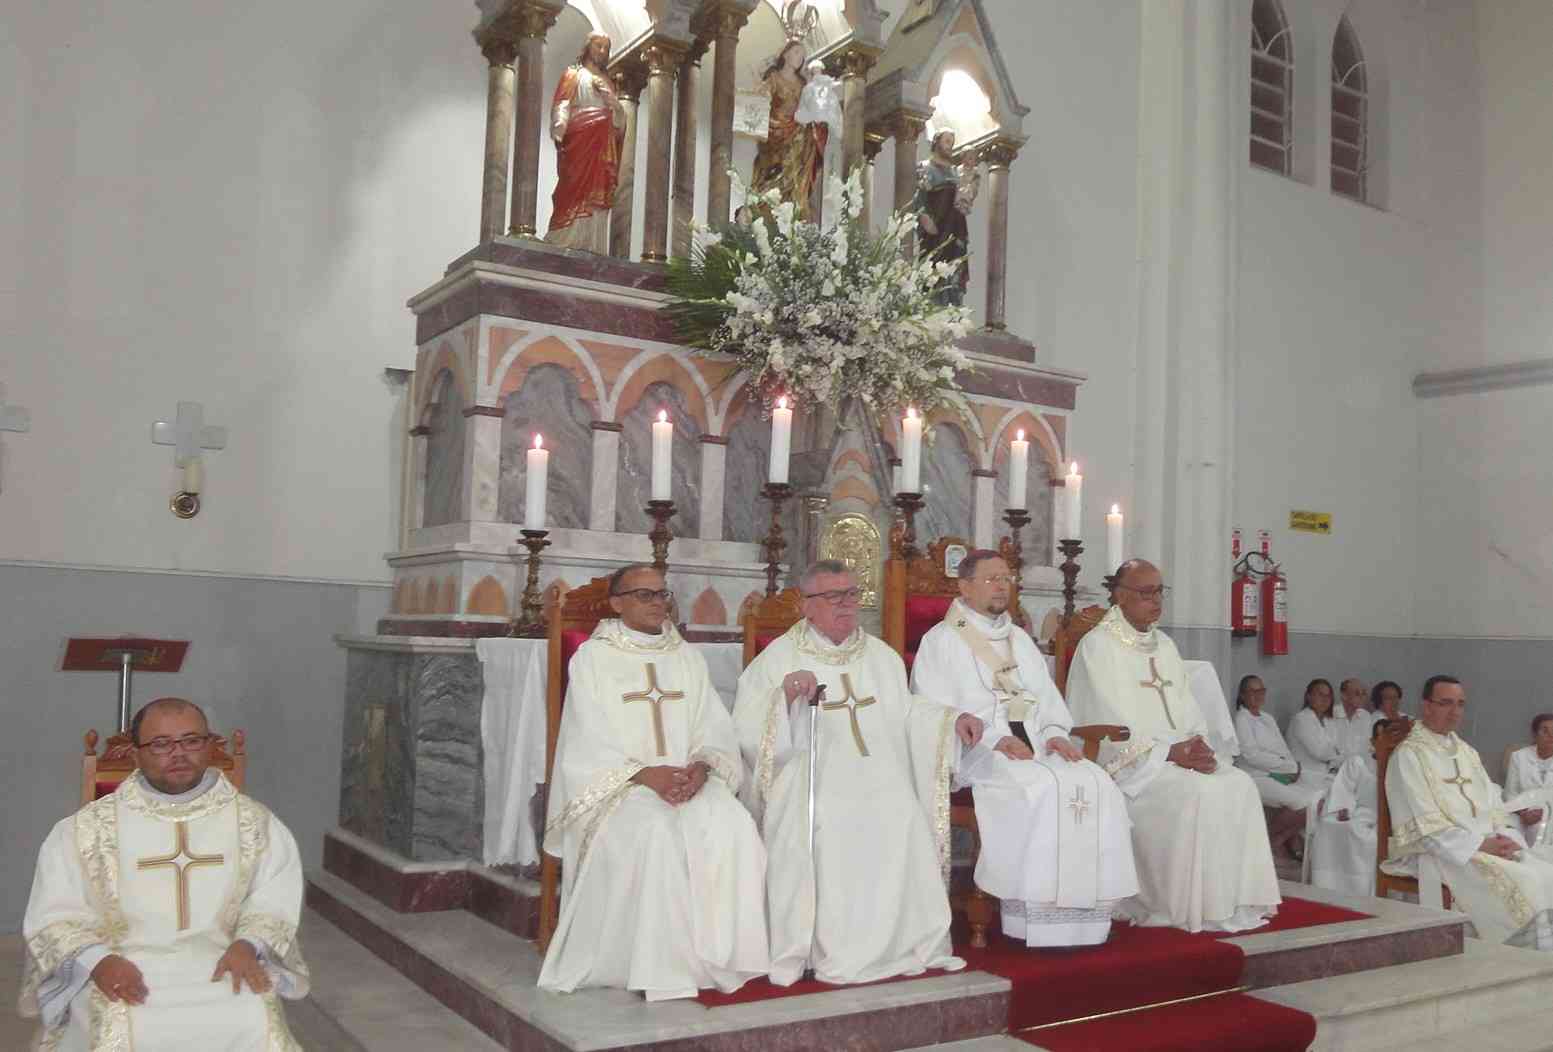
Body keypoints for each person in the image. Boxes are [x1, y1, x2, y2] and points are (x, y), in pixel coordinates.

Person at [732, 560, 980, 984]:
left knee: (904, 815)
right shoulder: (779, 658)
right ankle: (835, 948)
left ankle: (902, 943)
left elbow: (907, 713)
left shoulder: (882, 657)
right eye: (833, 596)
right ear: (806, 605)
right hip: (810, 774)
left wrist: (949, 721)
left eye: (851, 594)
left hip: (880, 770)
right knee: (829, 823)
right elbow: (748, 728)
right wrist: (785, 697)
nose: (846, 604)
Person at [20, 698, 309, 1050]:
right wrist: (98, 962)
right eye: (161, 744)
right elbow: (55, 912)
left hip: (223, 959)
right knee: (125, 1024)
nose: (178, 753)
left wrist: (249, 945)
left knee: (253, 1014)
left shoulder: (255, 823)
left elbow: (274, 897)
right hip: (122, 963)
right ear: (135, 754)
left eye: (191, 741)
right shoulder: (84, 830)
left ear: (209, 746)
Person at [538, 565, 769, 999]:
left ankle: (723, 957)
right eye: (644, 595)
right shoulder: (594, 658)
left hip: (686, 779)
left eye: (662, 594)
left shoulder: (686, 656)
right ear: (617, 603)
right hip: (620, 787)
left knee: (734, 827)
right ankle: (661, 966)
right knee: (658, 834)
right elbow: (586, 737)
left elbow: (711, 726)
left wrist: (701, 768)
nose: (657, 603)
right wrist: (646, 774)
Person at [910, 550, 1138, 946]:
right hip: (979, 754)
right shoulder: (941, 641)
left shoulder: (1019, 639)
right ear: (964, 587)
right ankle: (1032, 916)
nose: (1002, 586)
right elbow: (928, 710)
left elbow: (1046, 699)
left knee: (1096, 781)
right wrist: (993, 739)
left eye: (1006, 578)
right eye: (991, 579)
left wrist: (1054, 733)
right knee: (1040, 788)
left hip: (1037, 748)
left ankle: (1085, 918)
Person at [1065, 559, 1281, 932]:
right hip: (1131, 766)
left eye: (1159, 592)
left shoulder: (1164, 645)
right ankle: (1184, 906)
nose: (1156, 601)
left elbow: (1188, 706)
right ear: (1120, 595)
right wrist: (1169, 753)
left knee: (1241, 784)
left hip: (1176, 756)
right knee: (1197, 793)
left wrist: (1197, 745)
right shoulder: (1098, 646)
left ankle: (1233, 901)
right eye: (1145, 592)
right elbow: (1107, 719)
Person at [1384, 676, 1553, 949]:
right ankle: (1521, 954)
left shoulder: (1467, 752)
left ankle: (1541, 952)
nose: (1455, 712)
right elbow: (1424, 826)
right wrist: (1481, 845)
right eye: (1446, 703)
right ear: (1427, 706)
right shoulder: (1409, 755)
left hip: (1485, 844)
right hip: (1442, 851)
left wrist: (1507, 837)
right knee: (1527, 880)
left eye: (1460, 704)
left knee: (1545, 872)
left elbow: (1495, 807)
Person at [545, 32, 627, 254]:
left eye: (606, 48)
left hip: (603, 145)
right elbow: (562, 103)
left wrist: (613, 104)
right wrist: (559, 127)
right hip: (580, 141)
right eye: (598, 45)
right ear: (587, 47)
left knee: (598, 191)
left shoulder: (608, 82)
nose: (602, 51)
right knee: (572, 186)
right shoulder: (574, 74)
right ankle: (565, 237)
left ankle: (592, 242)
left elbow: (619, 120)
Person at [1232, 675, 1322, 861]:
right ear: (1242, 695)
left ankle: (1278, 840)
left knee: (1317, 798)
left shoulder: (1267, 718)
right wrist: (1285, 767)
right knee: (1302, 803)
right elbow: (1251, 755)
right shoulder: (1241, 718)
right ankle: (1268, 841)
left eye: (1261, 690)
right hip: (1255, 777)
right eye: (1252, 691)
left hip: (1279, 773)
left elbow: (1283, 748)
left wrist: (1292, 768)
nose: (1258, 695)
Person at [749, 40, 828, 222]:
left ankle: (795, 203)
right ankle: (768, 204)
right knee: (773, 173)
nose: (800, 58)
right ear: (785, 54)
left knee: (806, 137)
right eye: (796, 52)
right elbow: (761, 99)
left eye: (802, 55)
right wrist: (759, 91)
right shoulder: (774, 77)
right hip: (774, 132)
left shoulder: (802, 83)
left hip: (797, 132)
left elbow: (810, 106)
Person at [1312, 718, 1390, 896]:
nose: (1383, 742)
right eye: (1379, 738)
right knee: (1340, 828)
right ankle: (1334, 888)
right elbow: (1344, 788)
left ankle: (1367, 889)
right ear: (1372, 741)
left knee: (1370, 838)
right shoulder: (1358, 762)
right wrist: (1343, 807)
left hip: (1388, 817)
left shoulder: (1400, 763)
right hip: (1361, 811)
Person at [913, 128, 980, 306]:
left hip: (955, 226)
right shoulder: (924, 167)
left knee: (955, 267)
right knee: (933, 266)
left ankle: (953, 305)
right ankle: (933, 304)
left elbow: (964, 193)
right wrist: (923, 216)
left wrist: (969, 192)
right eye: (947, 141)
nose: (950, 146)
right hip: (935, 227)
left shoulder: (955, 172)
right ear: (936, 142)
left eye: (952, 142)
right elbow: (918, 197)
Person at [1504, 713, 1553, 854]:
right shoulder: (1519, 756)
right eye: (1545, 731)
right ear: (1535, 734)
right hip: (1522, 813)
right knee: (1507, 834)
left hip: (1550, 816)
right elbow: (1510, 793)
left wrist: (1544, 812)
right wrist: (1523, 812)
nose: (1551, 736)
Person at [1286, 679, 1342, 788]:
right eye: (1320, 695)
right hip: (1306, 776)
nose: (1325, 699)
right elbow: (1319, 753)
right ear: (1308, 696)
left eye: (1328, 696)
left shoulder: (1329, 721)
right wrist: (1335, 752)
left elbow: (1339, 748)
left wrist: (1335, 755)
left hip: (1328, 774)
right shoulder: (1301, 719)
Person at [1333, 678, 1379, 762]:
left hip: (1361, 765)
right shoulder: (1331, 715)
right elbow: (1328, 751)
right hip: (1336, 766)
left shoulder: (1366, 716)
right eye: (1357, 693)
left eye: (1364, 693)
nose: (1362, 697)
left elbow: (1371, 747)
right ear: (1344, 696)